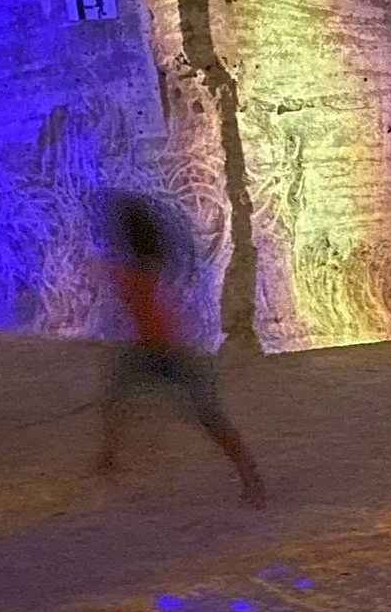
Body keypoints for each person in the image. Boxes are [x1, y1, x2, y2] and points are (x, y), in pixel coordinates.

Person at [96, 190, 265, 505]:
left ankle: (250, 477)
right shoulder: (147, 267)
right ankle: (249, 476)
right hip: (160, 349)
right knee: (204, 415)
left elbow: (143, 308)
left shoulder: (136, 271)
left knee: (201, 414)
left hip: (162, 350)